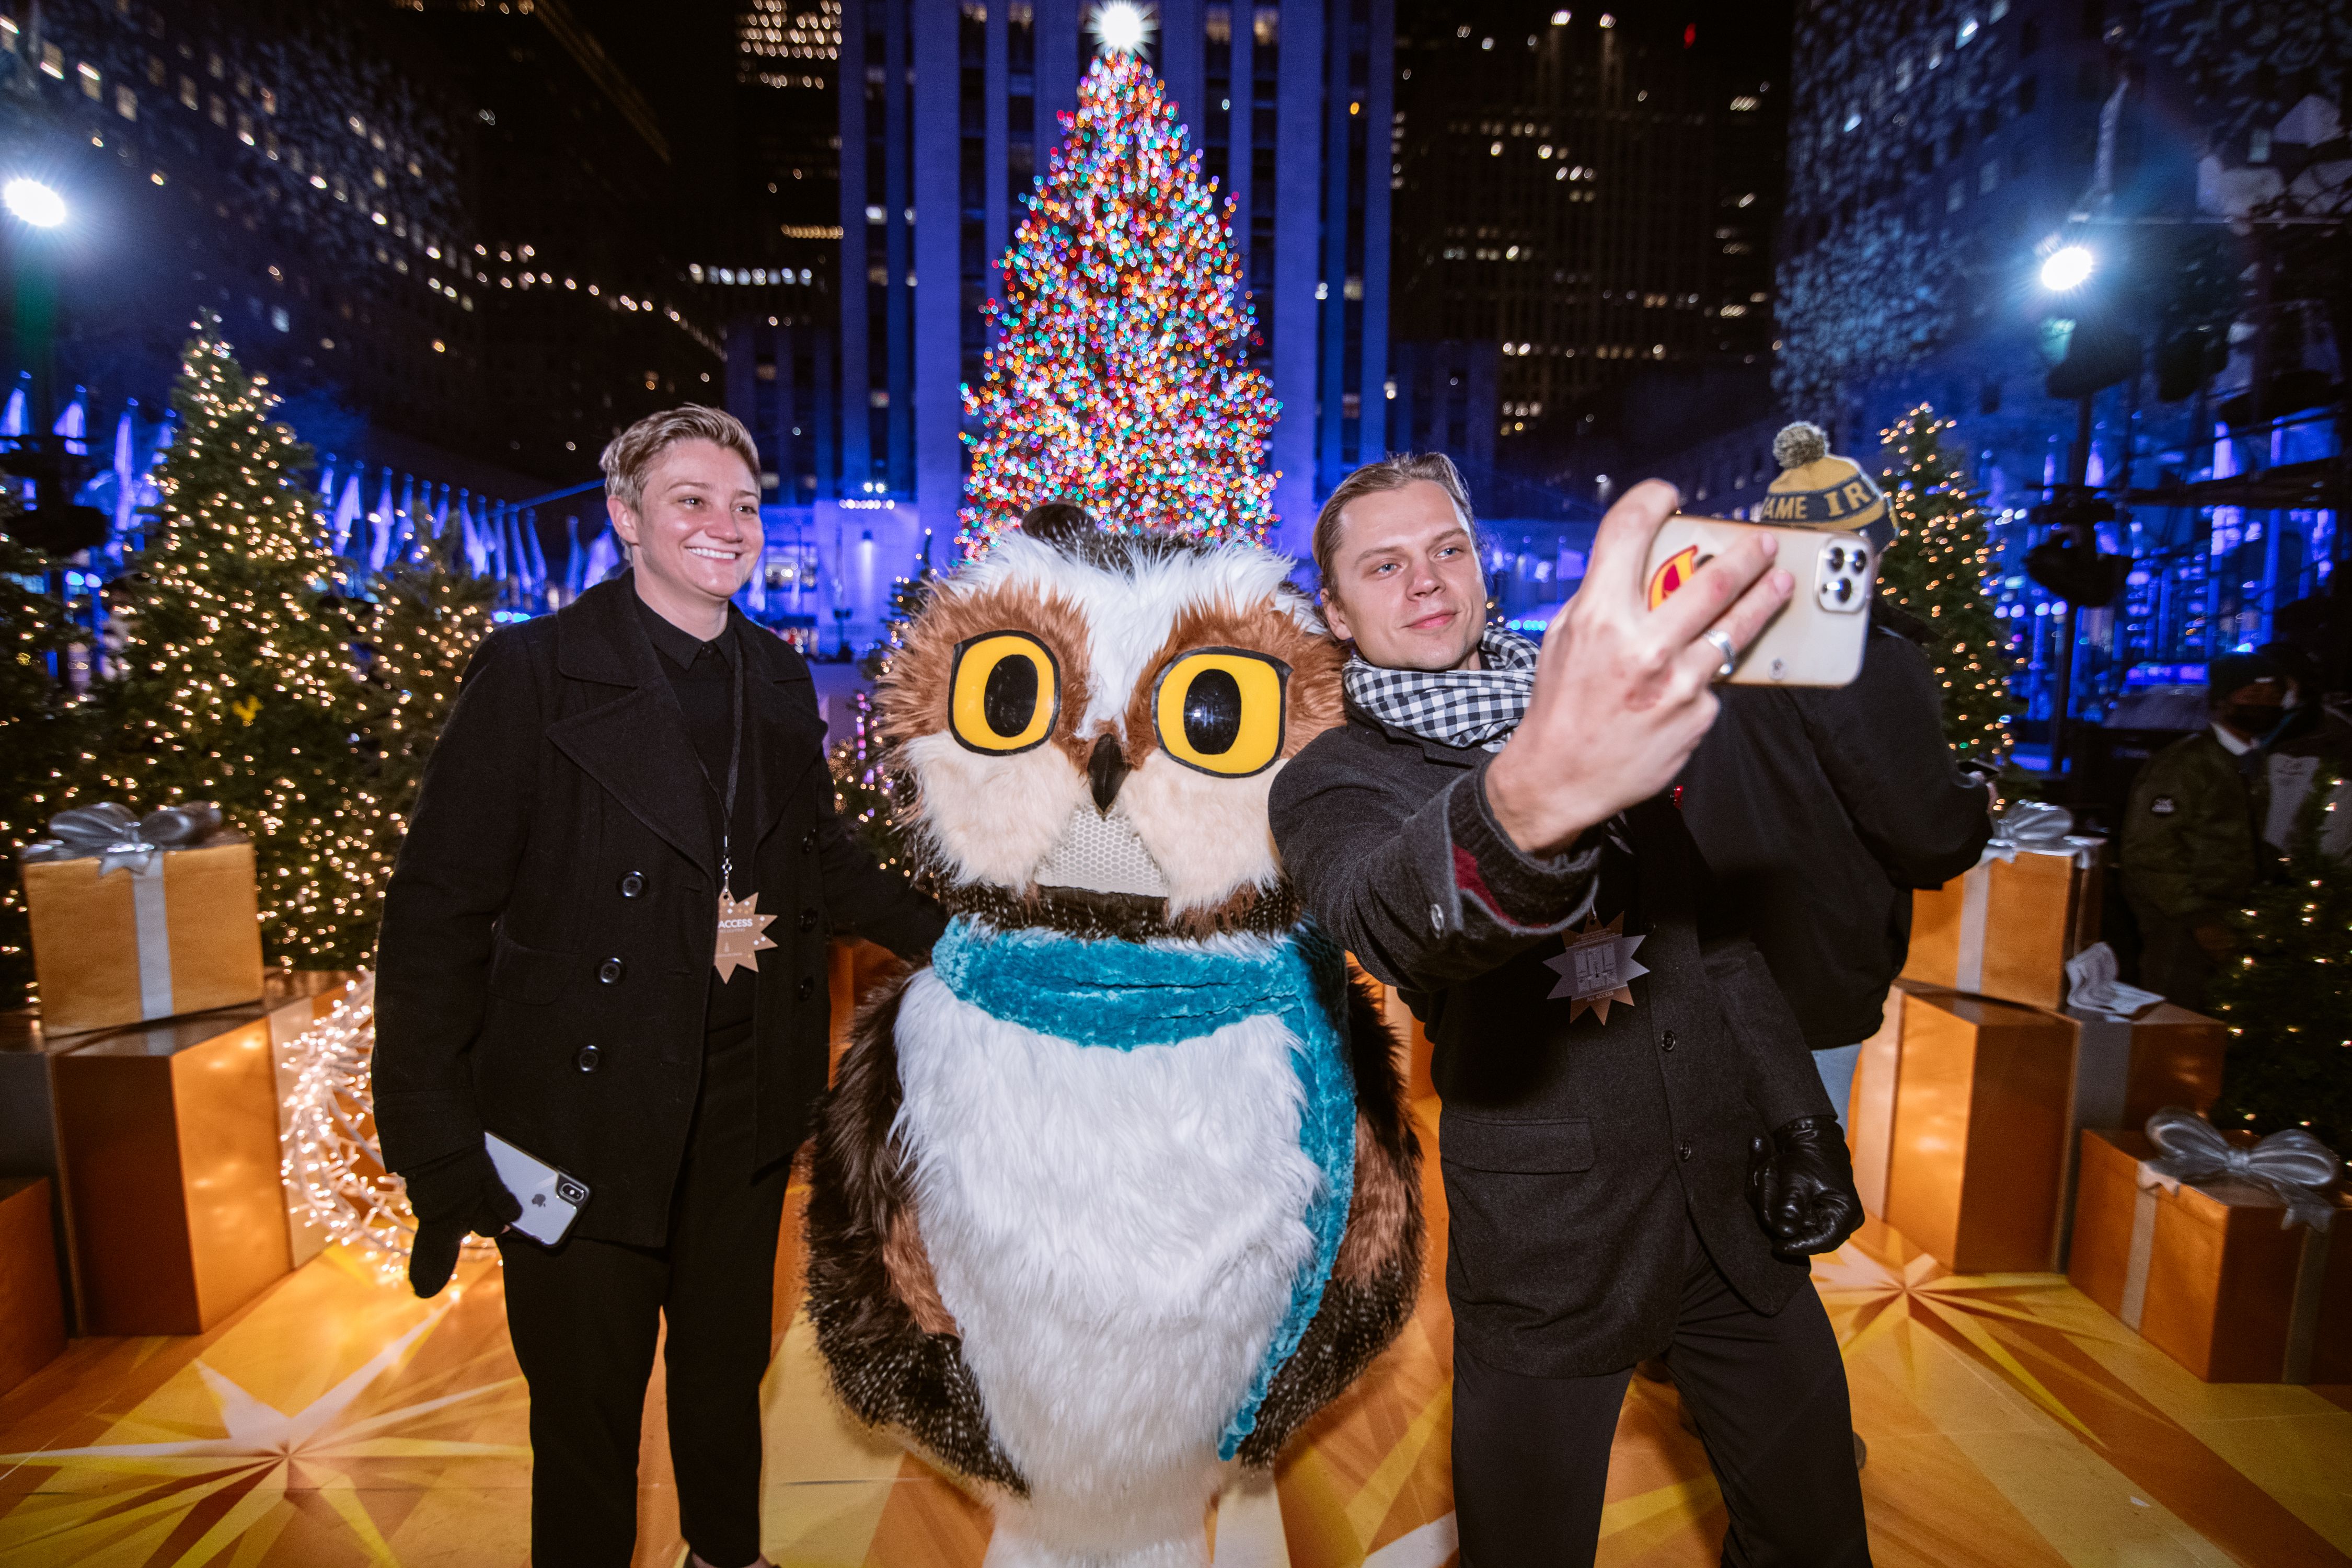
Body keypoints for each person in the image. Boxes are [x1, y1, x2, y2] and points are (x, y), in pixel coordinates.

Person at [1271, 454, 1870, 1567]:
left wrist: (1799, 1122)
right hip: (1554, 1253)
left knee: (1820, 1540)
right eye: (1384, 565)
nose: (1426, 581)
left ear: (1482, 572)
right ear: (1338, 613)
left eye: (1447, 549)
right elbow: (1397, 920)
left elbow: (1715, 946)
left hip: (1730, 1219)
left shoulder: (1592, 711)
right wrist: (1535, 795)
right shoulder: (1335, 778)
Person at [373, 406, 945, 1568]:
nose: (725, 525)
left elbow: (818, 865)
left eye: (742, 505)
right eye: (691, 499)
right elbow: (436, 915)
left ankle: (724, 1554)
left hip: (739, 1107)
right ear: (626, 518)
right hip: (574, 1118)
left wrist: (972, 942)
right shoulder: (533, 673)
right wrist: (435, 1140)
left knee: (728, 1375)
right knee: (584, 1412)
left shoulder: (779, 679)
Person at [1676, 596, 1993, 1122]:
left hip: (1694, 957)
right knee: (1800, 1179)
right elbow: (1927, 835)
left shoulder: (1702, 628)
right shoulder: (1852, 644)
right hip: (1804, 970)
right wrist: (1975, 802)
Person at [2120, 651, 2280, 1010]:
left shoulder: (2253, 760)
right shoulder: (2185, 764)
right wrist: (2198, 919)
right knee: (2177, 1019)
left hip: (2233, 915)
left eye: (2273, 698)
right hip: (2182, 922)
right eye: (2253, 696)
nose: (2265, 706)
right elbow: (2149, 850)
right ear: (2223, 701)